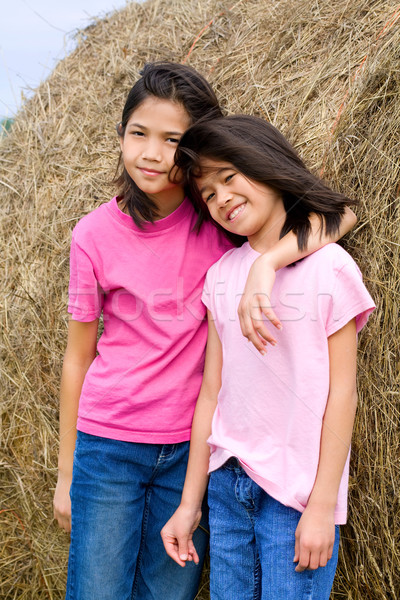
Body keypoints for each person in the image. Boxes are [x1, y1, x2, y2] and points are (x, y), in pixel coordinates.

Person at [52, 63, 357, 600]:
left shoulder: (216, 227)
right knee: (97, 589)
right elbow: (78, 356)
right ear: (120, 135)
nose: (151, 153)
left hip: (192, 453)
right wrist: (63, 475)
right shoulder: (95, 236)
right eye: (138, 133)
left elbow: (337, 213)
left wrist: (268, 265)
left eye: (172, 141)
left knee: (171, 590)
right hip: (112, 442)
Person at [161, 115, 375, 600]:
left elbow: (343, 394)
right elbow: (212, 392)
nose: (221, 199)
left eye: (228, 178)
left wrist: (323, 505)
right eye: (208, 195)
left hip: (295, 497)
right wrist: (190, 504)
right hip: (228, 486)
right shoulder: (220, 277)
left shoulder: (330, 266)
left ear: (265, 164)